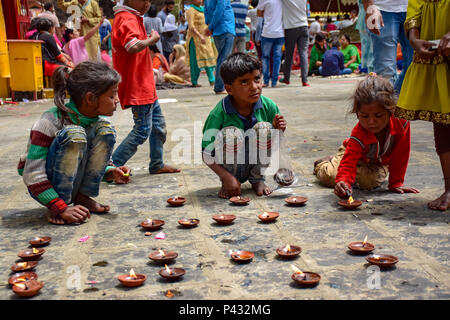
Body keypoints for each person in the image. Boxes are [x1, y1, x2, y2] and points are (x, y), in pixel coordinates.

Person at [17, 61, 130, 225]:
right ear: (90, 98)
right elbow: (32, 174)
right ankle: (61, 203)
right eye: (112, 95)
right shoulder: (49, 122)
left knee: (105, 130)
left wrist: (110, 170)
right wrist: (59, 207)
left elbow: (89, 157)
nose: (117, 100)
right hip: (44, 185)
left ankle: (82, 197)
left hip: (73, 180)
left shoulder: (97, 122)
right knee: (74, 134)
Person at [314, 75, 419, 199]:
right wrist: (343, 182)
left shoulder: (402, 123)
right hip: (353, 154)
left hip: (378, 162)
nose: (371, 122)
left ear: (390, 111)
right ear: (357, 114)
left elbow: (401, 153)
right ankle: (325, 163)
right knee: (330, 176)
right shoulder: (358, 133)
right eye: (364, 116)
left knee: (369, 182)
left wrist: (396, 183)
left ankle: (339, 164)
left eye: (378, 116)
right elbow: (349, 161)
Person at [202, 53, 287, 198]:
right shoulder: (219, 113)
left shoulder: (269, 106)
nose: (254, 87)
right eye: (244, 82)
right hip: (230, 166)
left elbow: (275, 141)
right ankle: (230, 181)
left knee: (265, 129)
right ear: (229, 89)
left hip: (256, 163)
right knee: (231, 134)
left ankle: (257, 179)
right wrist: (226, 177)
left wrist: (278, 130)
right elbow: (206, 153)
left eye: (257, 79)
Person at [111, 0, 180, 175]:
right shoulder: (126, 18)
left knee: (158, 126)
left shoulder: (132, 16)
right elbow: (132, 46)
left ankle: (157, 163)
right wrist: (152, 39)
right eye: (145, 0)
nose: (148, 4)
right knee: (142, 130)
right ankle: (111, 166)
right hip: (137, 86)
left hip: (145, 84)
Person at [395, 0, 450, 211]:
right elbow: (415, 6)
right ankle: (449, 188)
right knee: (442, 118)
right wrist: (414, 38)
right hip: (435, 48)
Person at [363, 0, 413, 93]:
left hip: (415, 8)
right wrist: (369, 5)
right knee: (385, 71)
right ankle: (386, 103)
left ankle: (394, 101)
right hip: (382, 8)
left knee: (415, 66)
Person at [204, 0, 236, 94]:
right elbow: (220, 9)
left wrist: (209, 25)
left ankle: (222, 85)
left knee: (222, 58)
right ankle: (219, 87)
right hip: (225, 27)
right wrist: (210, 27)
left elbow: (206, 10)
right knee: (223, 59)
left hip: (217, 30)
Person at [185, 0, 217, 87]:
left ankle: (212, 79)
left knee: (209, 57)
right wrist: (199, 36)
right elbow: (191, 26)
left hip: (206, 37)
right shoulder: (190, 10)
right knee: (195, 61)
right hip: (195, 39)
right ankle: (194, 81)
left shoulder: (203, 9)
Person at [279, 0, 309, 87]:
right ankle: (305, 80)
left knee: (289, 54)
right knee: (303, 53)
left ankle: (286, 78)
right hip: (304, 25)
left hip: (291, 27)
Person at [257, 0, 284, 87]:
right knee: (277, 58)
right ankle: (274, 82)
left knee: (265, 57)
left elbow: (258, 13)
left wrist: (267, 14)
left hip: (267, 32)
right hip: (280, 33)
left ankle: (265, 81)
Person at [356, 0, 374, 73]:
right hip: (367, 18)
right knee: (370, 47)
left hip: (368, 17)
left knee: (370, 47)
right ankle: (371, 69)